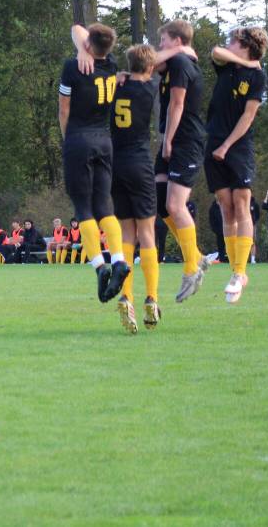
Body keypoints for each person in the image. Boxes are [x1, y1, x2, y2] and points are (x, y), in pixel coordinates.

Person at [60, 23, 130, 301]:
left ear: (89, 44)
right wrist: (83, 47)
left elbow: (64, 109)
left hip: (79, 139)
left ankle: (100, 266)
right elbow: (79, 30)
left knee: (83, 208)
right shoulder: (111, 64)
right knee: (104, 206)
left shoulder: (73, 67)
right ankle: (119, 260)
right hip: (104, 141)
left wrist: (67, 139)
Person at [206, 28, 268, 302]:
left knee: (241, 204)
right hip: (213, 139)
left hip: (238, 145)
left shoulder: (258, 76)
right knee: (225, 206)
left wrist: (226, 146)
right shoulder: (228, 66)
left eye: (234, 41)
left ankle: (240, 271)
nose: (228, 44)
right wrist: (244, 61)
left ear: (246, 45)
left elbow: (248, 116)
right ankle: (236, 270)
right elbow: (215, 52)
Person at [153, 20, 213, 301]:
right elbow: (150, 63)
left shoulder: (180, 64)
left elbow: (177, 104)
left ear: (177, 40)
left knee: (175, 205)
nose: (160, 45)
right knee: (160, 202)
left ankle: (191, 268)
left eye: (163, 40)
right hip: (172, 139)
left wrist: (168, 140)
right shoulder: (174, 60)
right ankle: (197, 255)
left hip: (185, 141)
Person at [110, 44, 161, 332]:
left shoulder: (115, 87)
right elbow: (152, 68)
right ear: (150, 67)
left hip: (115, 163)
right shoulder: (148, 87)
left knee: (126, 234)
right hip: (139, 164)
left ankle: (126, 295)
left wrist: (122, 74)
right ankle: (151, 297)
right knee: (147, 233)